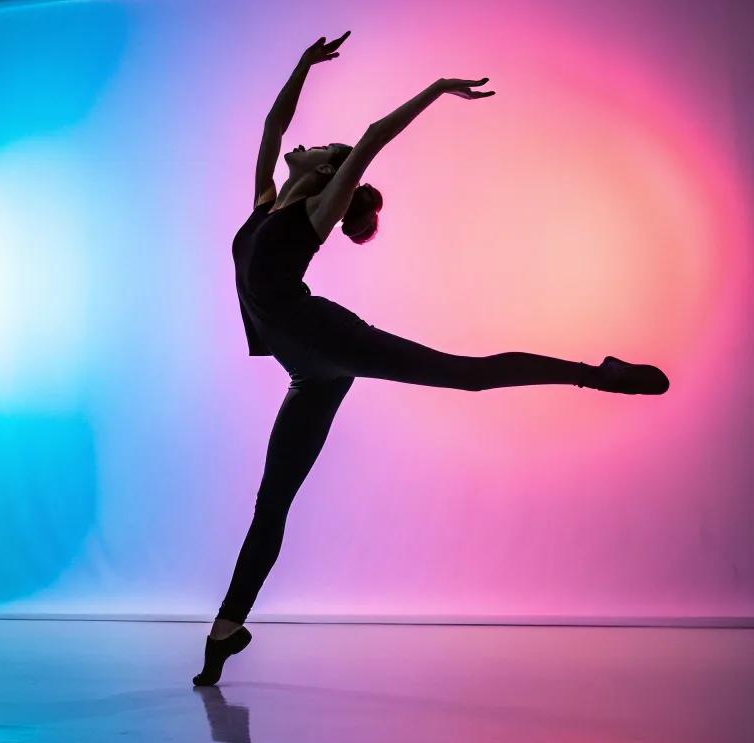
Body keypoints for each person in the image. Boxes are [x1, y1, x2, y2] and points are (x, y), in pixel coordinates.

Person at [192, 33, 669, 687]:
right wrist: (301, 65)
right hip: (307, 369)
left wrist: (437, 90)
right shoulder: (266, 204)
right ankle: (227, 628)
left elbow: (370, 137)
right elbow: (275, 128)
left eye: (326, 150)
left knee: (466, 376)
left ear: (332, 174)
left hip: (331, 339)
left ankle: (597, 373)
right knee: (271, 503)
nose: (311, 142)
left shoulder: (314, 212)